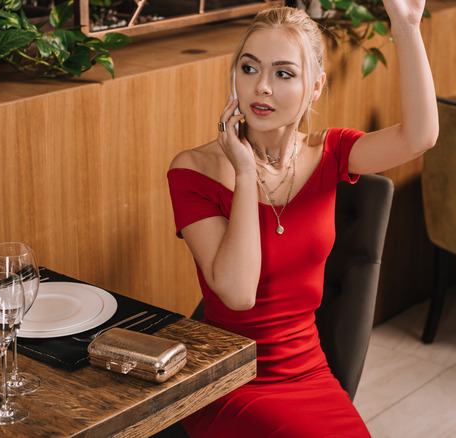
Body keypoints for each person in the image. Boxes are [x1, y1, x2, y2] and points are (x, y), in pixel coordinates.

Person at [166, 2, 438, 436]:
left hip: (308, 371)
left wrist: (406, 26)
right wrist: (245, 173)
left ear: (315, 87)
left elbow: (418, 137)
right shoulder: (193, 170)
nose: (262, 87)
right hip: (229, 378)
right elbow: (238, 294)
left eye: (283, 73)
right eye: (249, 68)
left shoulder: (329, 153)